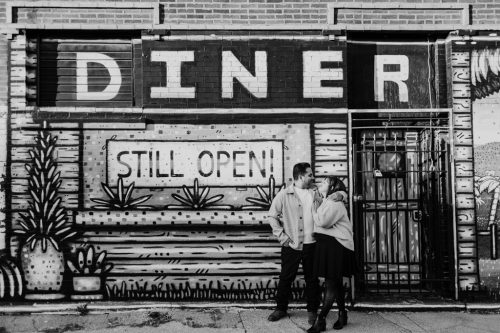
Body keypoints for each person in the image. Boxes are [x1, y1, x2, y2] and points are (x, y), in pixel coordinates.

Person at [267, 163, 346, 325]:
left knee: (312, 279)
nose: (313, 177)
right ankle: (280, 308)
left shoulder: (314, 192)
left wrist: (342, 195)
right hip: (292, 244)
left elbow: (336, 190)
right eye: (309, 175)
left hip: (313, 244)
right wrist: (283, 238)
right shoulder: (284, 194)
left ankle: (312, 311)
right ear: (301, 176)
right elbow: (272, 216)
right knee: (286, 278)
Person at [307, 176, 355, 332]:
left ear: (333, 187)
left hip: (337, 247)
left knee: (330, 284)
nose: (321, 184)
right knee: (336, 282)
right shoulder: (328, 201)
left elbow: (322, 222)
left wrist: (314, 209)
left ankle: (321, 320)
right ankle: (342, 314)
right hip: (330, 246)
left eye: (326, 182)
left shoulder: (335, 203)